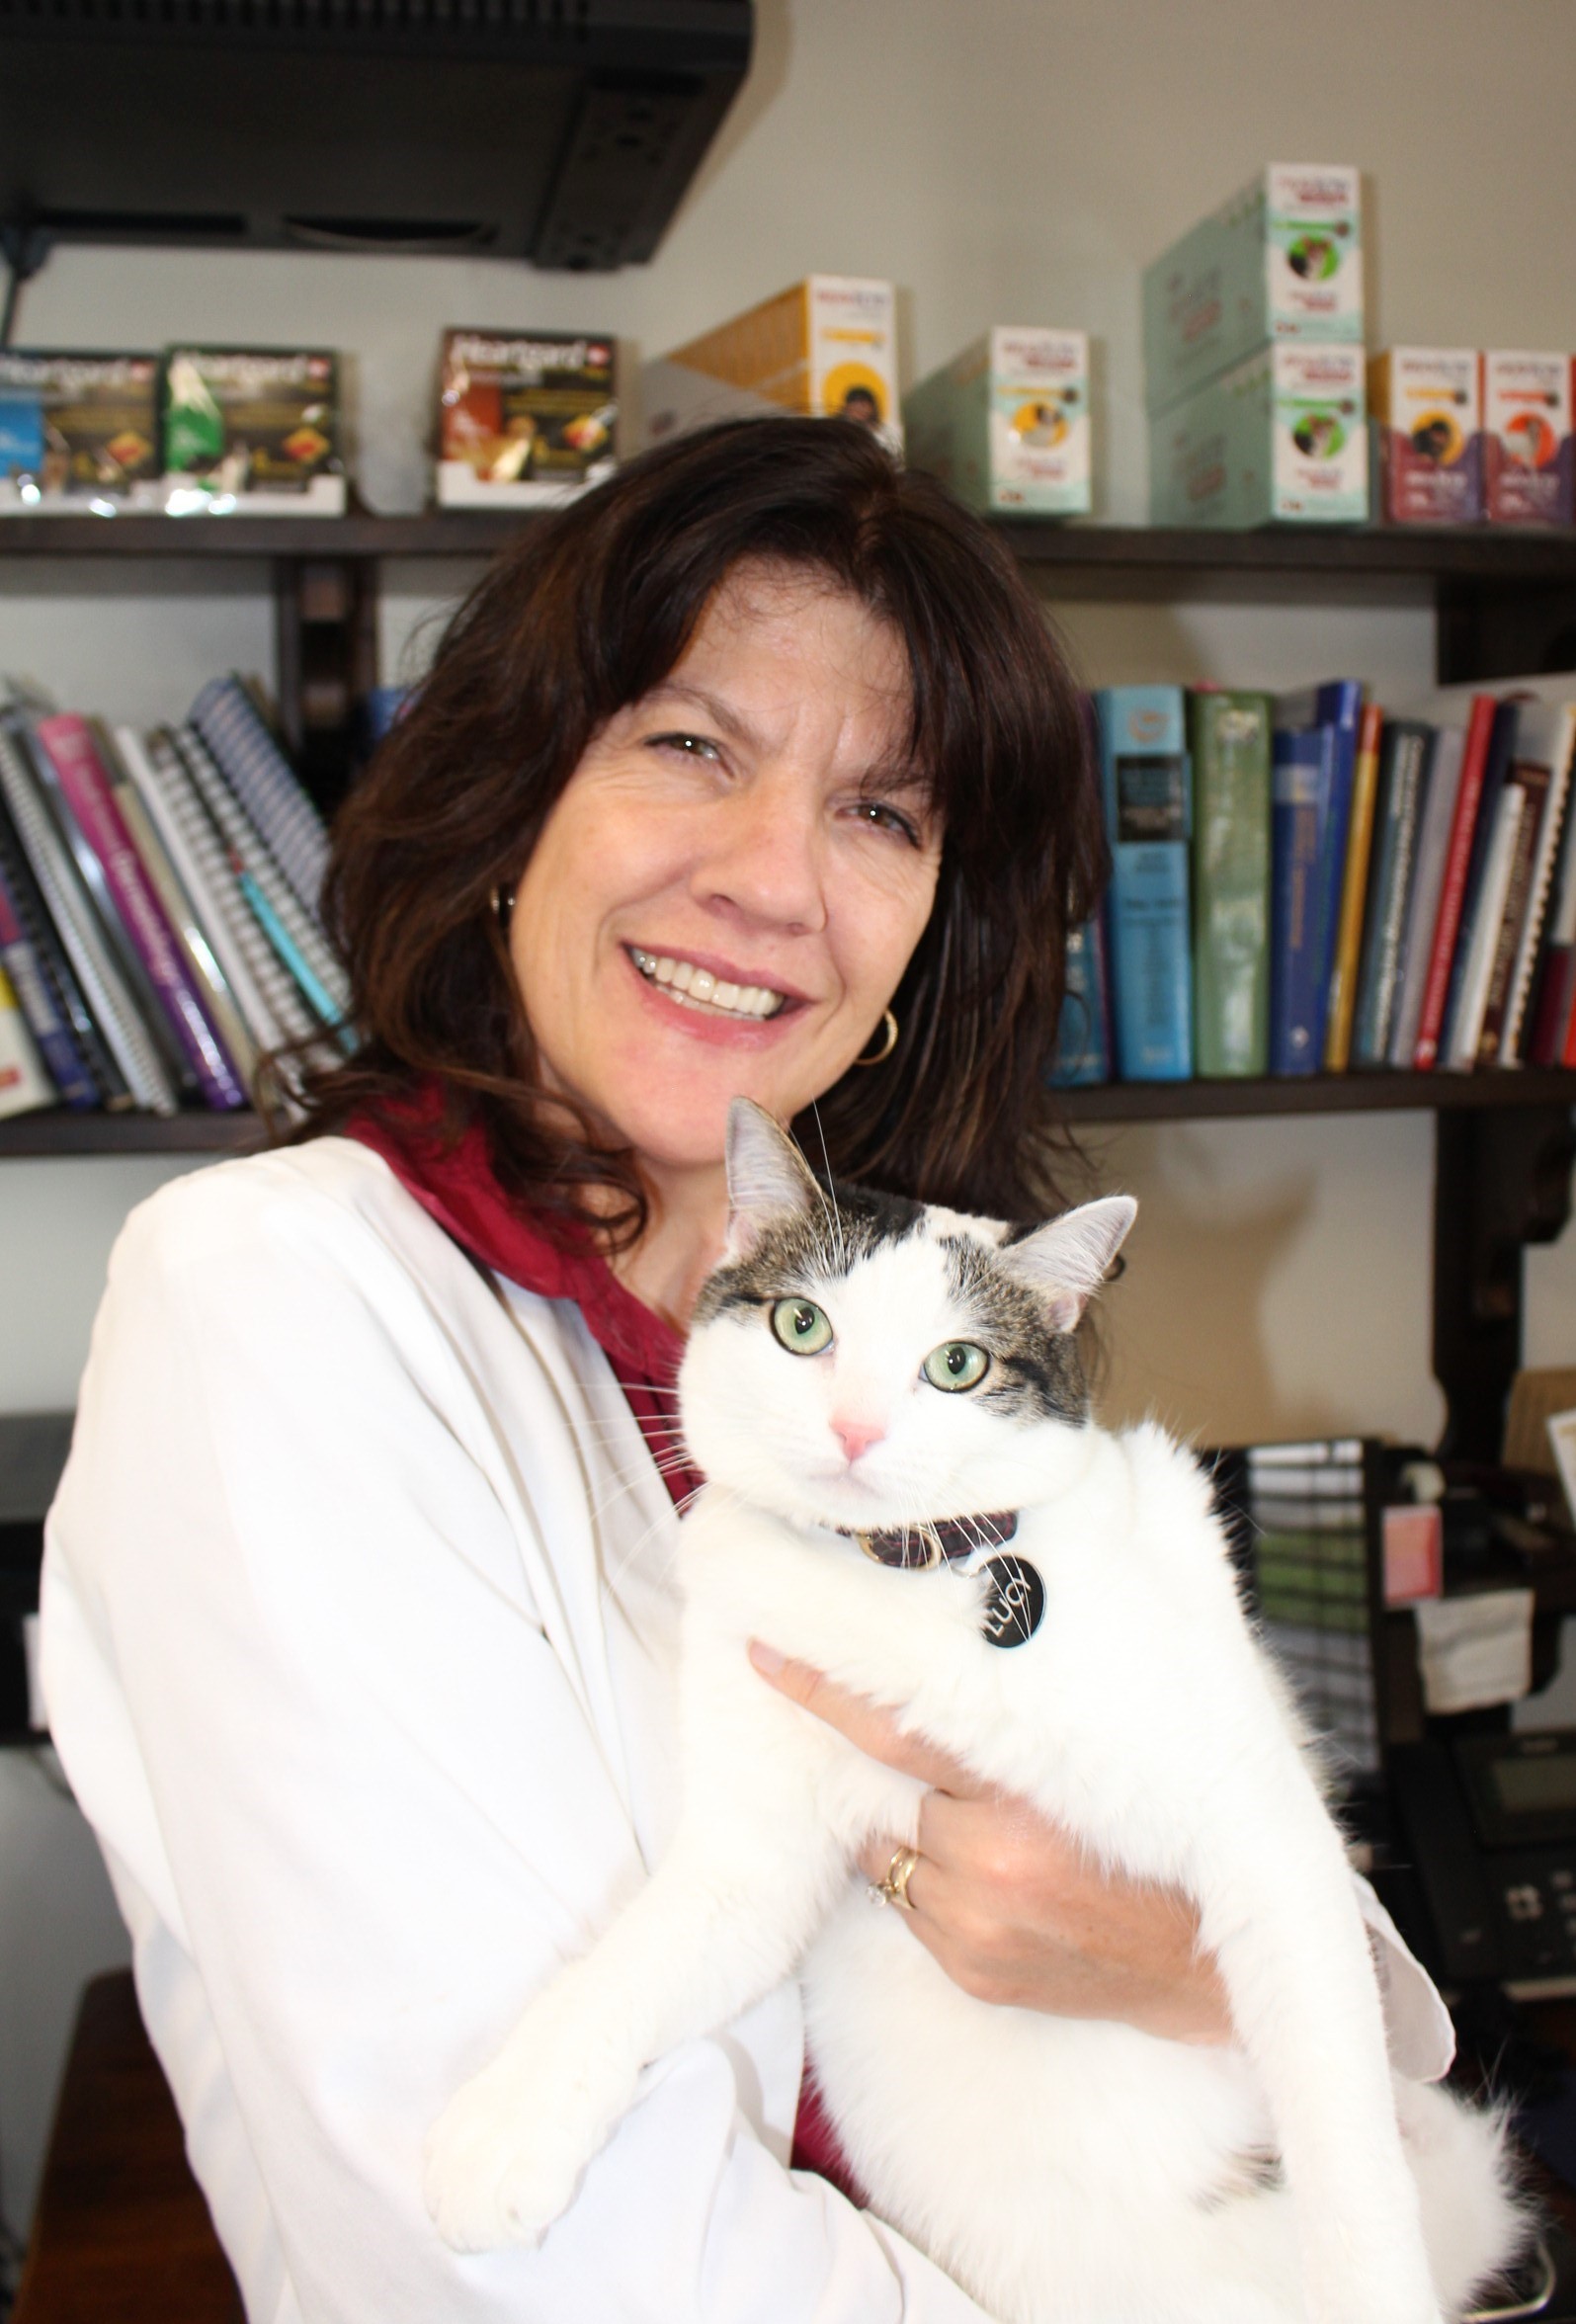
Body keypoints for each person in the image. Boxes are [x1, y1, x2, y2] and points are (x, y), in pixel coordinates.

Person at [40, 418, 1450, 2324]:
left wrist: (1167, 1951)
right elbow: (535, 2252)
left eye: (883, 811)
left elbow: (1351, 1986)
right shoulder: (280, 1304)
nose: (776, 881)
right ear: (513, 797)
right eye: (692, 745)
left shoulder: (917, 1319)